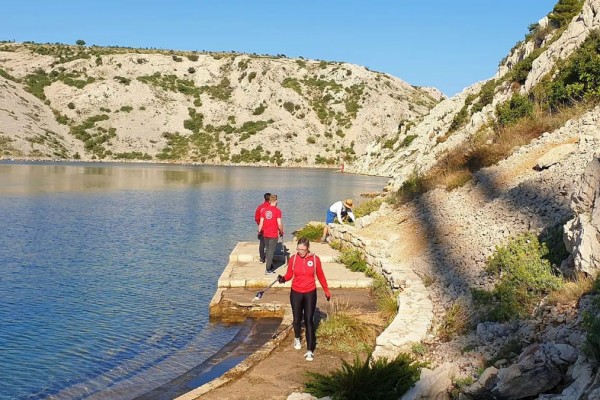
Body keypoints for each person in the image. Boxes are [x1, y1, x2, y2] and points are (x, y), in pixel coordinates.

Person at [277, 237, 331, 361]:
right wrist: (283, 279)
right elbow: (290, 274)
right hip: (296, 292)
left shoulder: (315, 260)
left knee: (308, 320)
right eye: (298, 249)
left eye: (302, 249)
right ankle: (297, 338)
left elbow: (321, 275)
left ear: (307, 249)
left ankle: (310, 350)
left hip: (310, 292)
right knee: (297, 319)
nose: (300, 251)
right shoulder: (293, 259)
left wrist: (326, 290)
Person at [257, 194, 283, 274]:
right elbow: (279, 223)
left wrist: (259, 231)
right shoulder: (278, 211)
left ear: (269, 201)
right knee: (271, 251)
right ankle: (267, 269)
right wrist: (281, 231)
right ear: (276, 201)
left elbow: (261, 222)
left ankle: (270, 265)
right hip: (273, 234)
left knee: (268, 250)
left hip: (265, 234)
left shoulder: (264, 210)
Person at [255, 192, 271, 263]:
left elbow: (256, 218)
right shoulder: (272, 207)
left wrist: (259, 225)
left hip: (262, 228)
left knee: (262, 243)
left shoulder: (260, 207)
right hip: (270, 228)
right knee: (270, 243)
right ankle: (269, 258)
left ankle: (262, 258)